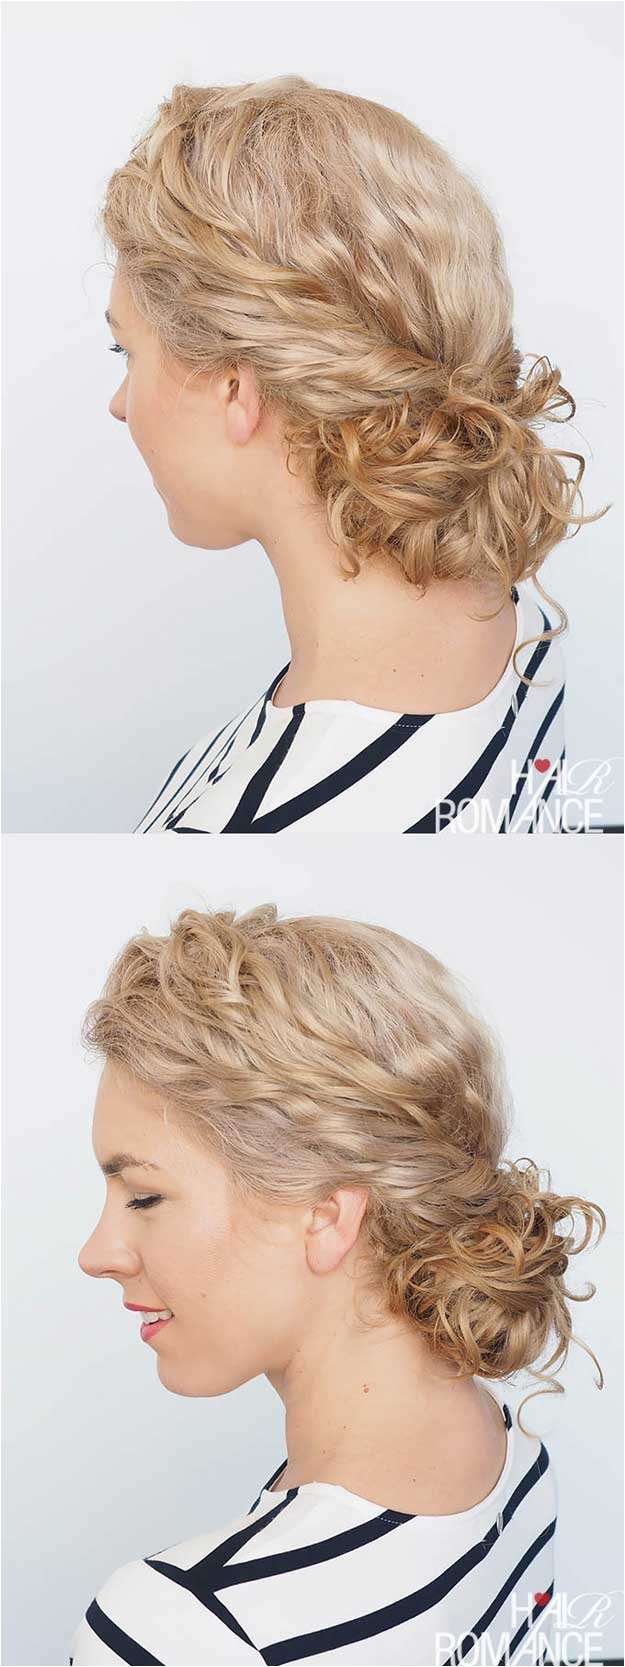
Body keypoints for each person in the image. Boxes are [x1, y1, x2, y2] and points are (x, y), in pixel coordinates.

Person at [70, 903, 604, 1665]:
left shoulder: (187, 1629)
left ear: (325, 1216)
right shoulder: (503, 1447)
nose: (97, 1253)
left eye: (145, 1196)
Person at [99, 76, 608, 835]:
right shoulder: (509, 625)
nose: (119, 403)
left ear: (237, 387)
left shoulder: (250, 839)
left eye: (127, 352)